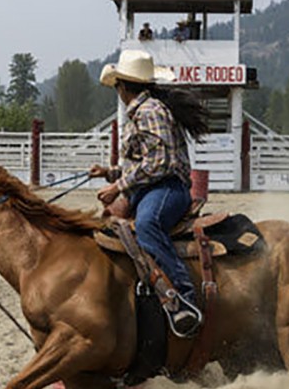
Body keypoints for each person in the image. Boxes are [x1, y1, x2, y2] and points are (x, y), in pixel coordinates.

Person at [88, 50, 208, 338]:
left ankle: (183, 296)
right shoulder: (142, 112)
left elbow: (159, 163)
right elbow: (141, 163)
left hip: (168, 189)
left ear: (124, 86)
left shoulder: (150, 111)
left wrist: (118, 186)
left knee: (146, 225)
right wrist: (109, 172)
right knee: (109, 227)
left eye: (117, 85)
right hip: (149, 187)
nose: (117, 90)